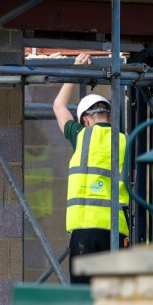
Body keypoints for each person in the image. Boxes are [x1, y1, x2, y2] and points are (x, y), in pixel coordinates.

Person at [53, 52, 130, 284]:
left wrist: (77, 69)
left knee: (83, 303)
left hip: (86, 232)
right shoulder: (126, 140)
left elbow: (58, 106)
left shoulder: (81, 135)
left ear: (85, 119)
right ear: (109, 115)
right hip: (117, 234)